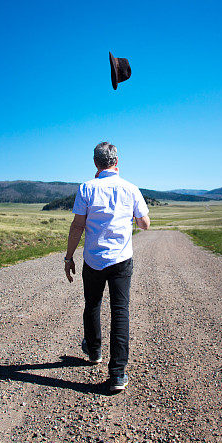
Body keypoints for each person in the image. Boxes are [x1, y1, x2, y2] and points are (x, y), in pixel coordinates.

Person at [63, 142, 150, 392]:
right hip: (121, 260)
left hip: (93, 259)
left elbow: (77, 225)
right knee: (120, 311)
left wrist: (69, 257)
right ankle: (117, 374)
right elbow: (144, 224)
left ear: (95, 163)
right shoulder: (130, 188)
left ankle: (94, 351)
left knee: (92, 304)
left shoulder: (86, 188)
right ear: (117, 161)